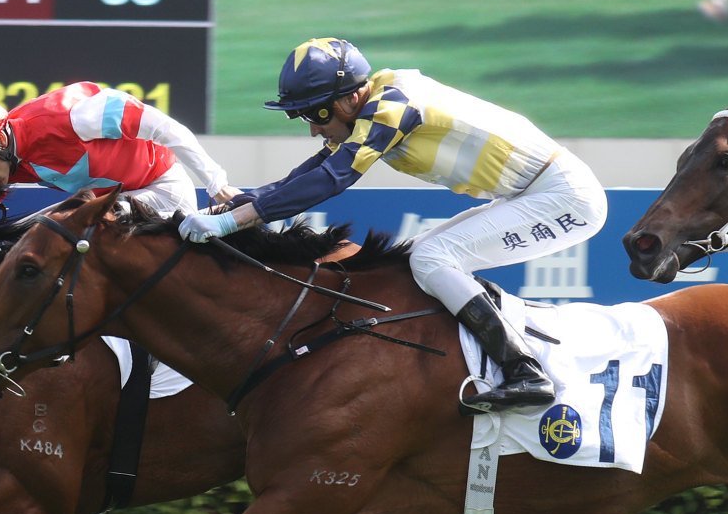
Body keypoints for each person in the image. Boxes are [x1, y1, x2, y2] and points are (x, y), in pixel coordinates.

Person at [177, 38, 608, 414]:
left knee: (432, 258)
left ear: (349, 99)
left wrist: (233, 221)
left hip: (564, 197)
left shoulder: (395, 105)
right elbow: (312, 170)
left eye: (314, 115)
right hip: (528, 194)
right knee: (410, 263)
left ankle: (526, 372)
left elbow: (333, 178)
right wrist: (238, 206)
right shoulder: (373, 104)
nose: (313, 129)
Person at [0, 82, 238, 215]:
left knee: (74, 229)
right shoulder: (4, 161)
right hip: (112, 203)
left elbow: (165, 128)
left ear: (1, 141)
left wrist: (217, 184)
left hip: (164, 189)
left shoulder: (72, 118)